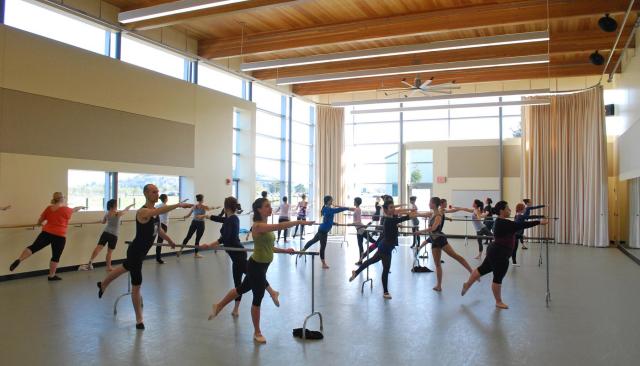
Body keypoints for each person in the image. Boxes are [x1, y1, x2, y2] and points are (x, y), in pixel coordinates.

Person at [208, 197, 314, 344]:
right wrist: (300, 222)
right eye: (267, 206)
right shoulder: (257, 226)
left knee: (241, 289)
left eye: (270, 206)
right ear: (259, 209)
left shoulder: (264, 224)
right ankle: (257, 332)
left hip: (261, 265)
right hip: (256, 266)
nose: (270, 209)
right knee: (257, 298)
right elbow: (279, 227)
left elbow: (269, 247)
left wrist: (285, 250)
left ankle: (218, 305)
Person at [97, 184, 192, 329]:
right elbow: (160, 211)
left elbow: (158, 229)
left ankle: (103, 284)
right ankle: (139, 320)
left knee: (124, 267)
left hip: (140, 253)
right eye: (154, 192)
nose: (157, 194)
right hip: (136, 251)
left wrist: (169, 240)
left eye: (158, 192)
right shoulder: (143, 212)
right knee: (137, 284)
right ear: (146, 194)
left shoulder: (154, 212)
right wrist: (178, 204)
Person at [200, 197, 280, 317]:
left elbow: (226, 238)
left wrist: (210, 245)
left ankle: (272, 292)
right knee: (240, 283)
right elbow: (221, 220)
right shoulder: (229, 219)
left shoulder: (233, 219)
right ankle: (236, 309)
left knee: (254, 275)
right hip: (234, 256)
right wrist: (206, 217)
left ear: (226, 207)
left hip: (238, 254)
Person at [461, 201, 548, 309]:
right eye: (508, 208)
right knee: (497, 277)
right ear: (502, 211)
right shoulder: (503, 222)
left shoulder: (501, 221)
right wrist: (539, 222)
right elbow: (521, 225)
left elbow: (513, 230)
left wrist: (522, 233)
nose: (510, 210)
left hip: (494, 251)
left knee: (482, 269)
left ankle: (467, 284)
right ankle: (498, 301)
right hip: (499, 254)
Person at [350, 199, 416, 299]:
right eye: (391, 207)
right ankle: (385, 292)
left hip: (385, 246)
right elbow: (406, 217)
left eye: (393, 207)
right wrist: (419, 214)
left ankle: (357, 272)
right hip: (385, 247)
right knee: (385, 268)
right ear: (385, 210)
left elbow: (400, 212)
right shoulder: (389, 220)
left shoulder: (391, 217)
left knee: (373, 261)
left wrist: (407, 210)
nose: (393, 209)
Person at [9, 192, 84, 280]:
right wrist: (81, 207)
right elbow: (74, 209)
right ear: (61, 199)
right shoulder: (66, 209)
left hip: (46, 233)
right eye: (64, 197)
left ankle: (19, 259)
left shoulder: (49, 208)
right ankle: (51, 276)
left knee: (33, 247)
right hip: (59, 236)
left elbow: (40, 220)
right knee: (55, 256)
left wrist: (38, 224)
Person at [414, 197, 473, 292]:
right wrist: (409, 213)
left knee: (455, 256)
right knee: (437, 264)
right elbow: (419, 214)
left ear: (434, 204)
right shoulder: (432, 213)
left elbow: (433, 229)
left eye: (430, 202)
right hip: (434, 240)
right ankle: (439, 285)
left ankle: (472, 271)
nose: (428, 203)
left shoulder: (438, 215)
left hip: (440, 239)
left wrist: (419, 231)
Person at [301, 195, 354, 269]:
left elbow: (328, 220)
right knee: (322, 247)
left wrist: (334, 223)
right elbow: (338, 210)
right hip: (323, 231)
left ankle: (303, 250)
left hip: (322, 229)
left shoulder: (327, 209)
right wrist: (348, 208)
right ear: (328, 201)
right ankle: (323, 264)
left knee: (313, 241)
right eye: (331, 200)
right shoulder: (328, 209)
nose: (332, 201)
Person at [80, 200, 134, 271]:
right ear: (114, 205)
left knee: (98, 248)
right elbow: (126, 210)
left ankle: (90, 263)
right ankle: (109, 267)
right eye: (116, 204)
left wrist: (98, 221)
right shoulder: (117, 214)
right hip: (113, 235)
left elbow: (103, 222)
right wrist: (130, 206)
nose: (116, 205)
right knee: (109, 252)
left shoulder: (107, 214)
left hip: (106, 233)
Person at [180, 194, 218, 258]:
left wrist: (184, 217)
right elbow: (211, 208)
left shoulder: (194, 206)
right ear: (202, 199)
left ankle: (180, 250)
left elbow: (188, 215)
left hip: (194, 222)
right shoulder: (204, 207)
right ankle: (196, 254)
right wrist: (216, 207)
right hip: (200, 224)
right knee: (197, 239)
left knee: (188, 237)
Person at [155, 194, 169, 264]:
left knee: (159, 242)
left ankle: (158, 257)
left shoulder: (157, 205)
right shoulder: (165, 206)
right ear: (165, 199)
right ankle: (158, 258)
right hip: (163, 225)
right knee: (160, 242)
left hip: (158, 224)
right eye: (167, 198)